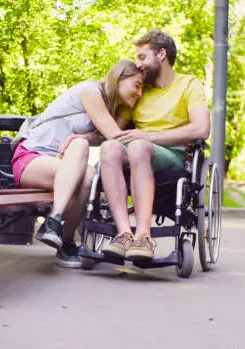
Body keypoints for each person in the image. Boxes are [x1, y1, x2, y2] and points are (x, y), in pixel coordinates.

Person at [10, 60, 143, 268]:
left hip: (59, 164)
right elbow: (114, 136)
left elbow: (102, 138)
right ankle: (54, 220)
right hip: (31, 158)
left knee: (89, 174)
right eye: (137, 85)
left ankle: (64, 239)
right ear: (120, 78)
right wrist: (153, 136)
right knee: (80, 144)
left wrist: (86, 137)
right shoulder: (90, 91)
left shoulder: (109, 106)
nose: (140, 93)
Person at [99, 30, 211, 261]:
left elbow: (201, 129)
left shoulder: (189, 84)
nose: (139, 64)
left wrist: (149, 137)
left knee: (139, 146)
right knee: (109, 148)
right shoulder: (139, 88)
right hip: (136, 148)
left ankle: (144, 237)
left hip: (173, 153)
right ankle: (123, 234)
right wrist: (81, 137)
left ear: (161, 54)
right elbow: (114, 130)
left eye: (142, 57)